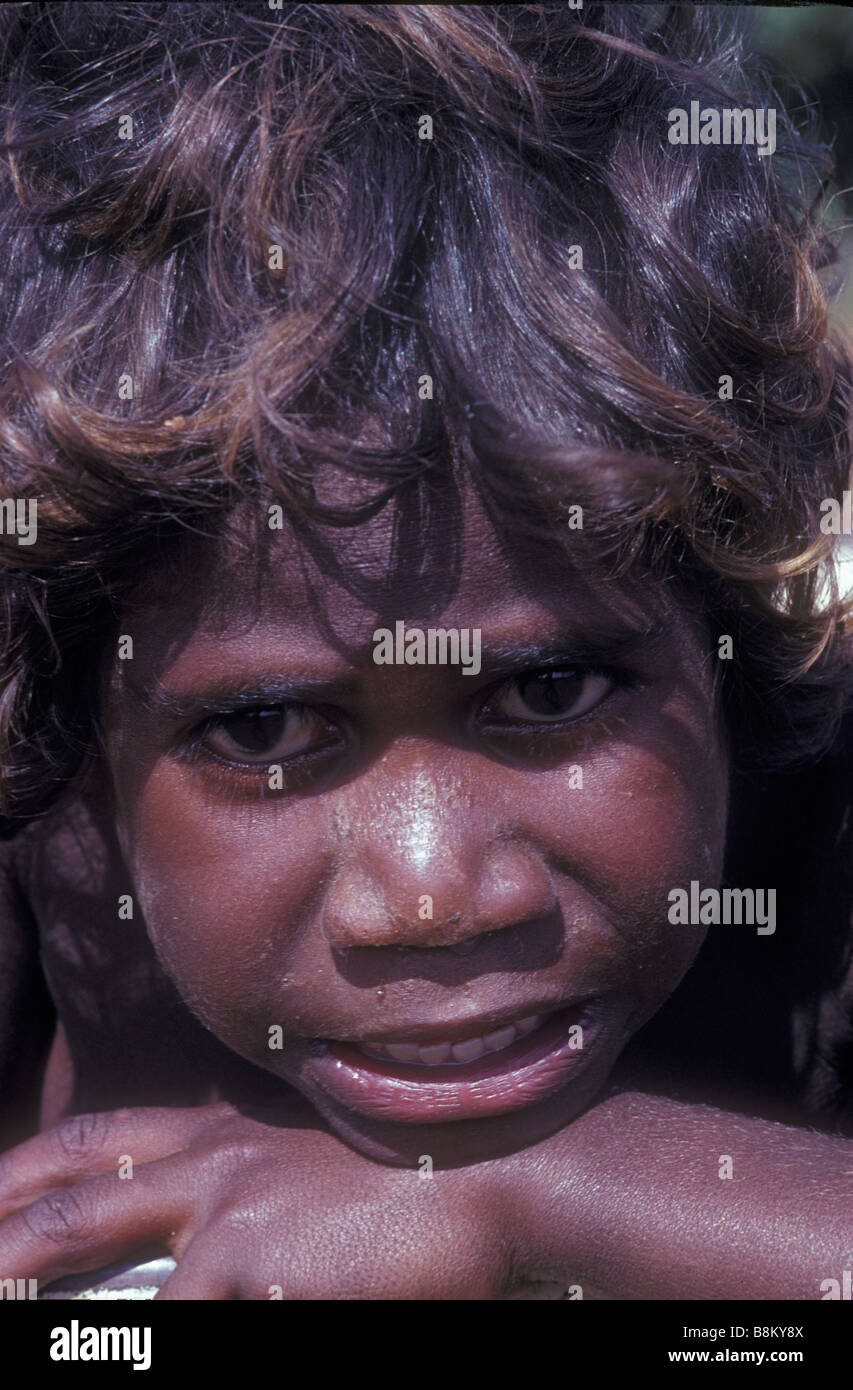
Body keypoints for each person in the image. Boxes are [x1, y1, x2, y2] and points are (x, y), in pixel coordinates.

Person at [0, 1, 850, 1300]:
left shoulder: (821, 839)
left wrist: (539, 1190)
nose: (431, 894)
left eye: (546, 691)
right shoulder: (40, 873)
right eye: (265, 729)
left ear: (723, 636)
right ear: (75, 750)